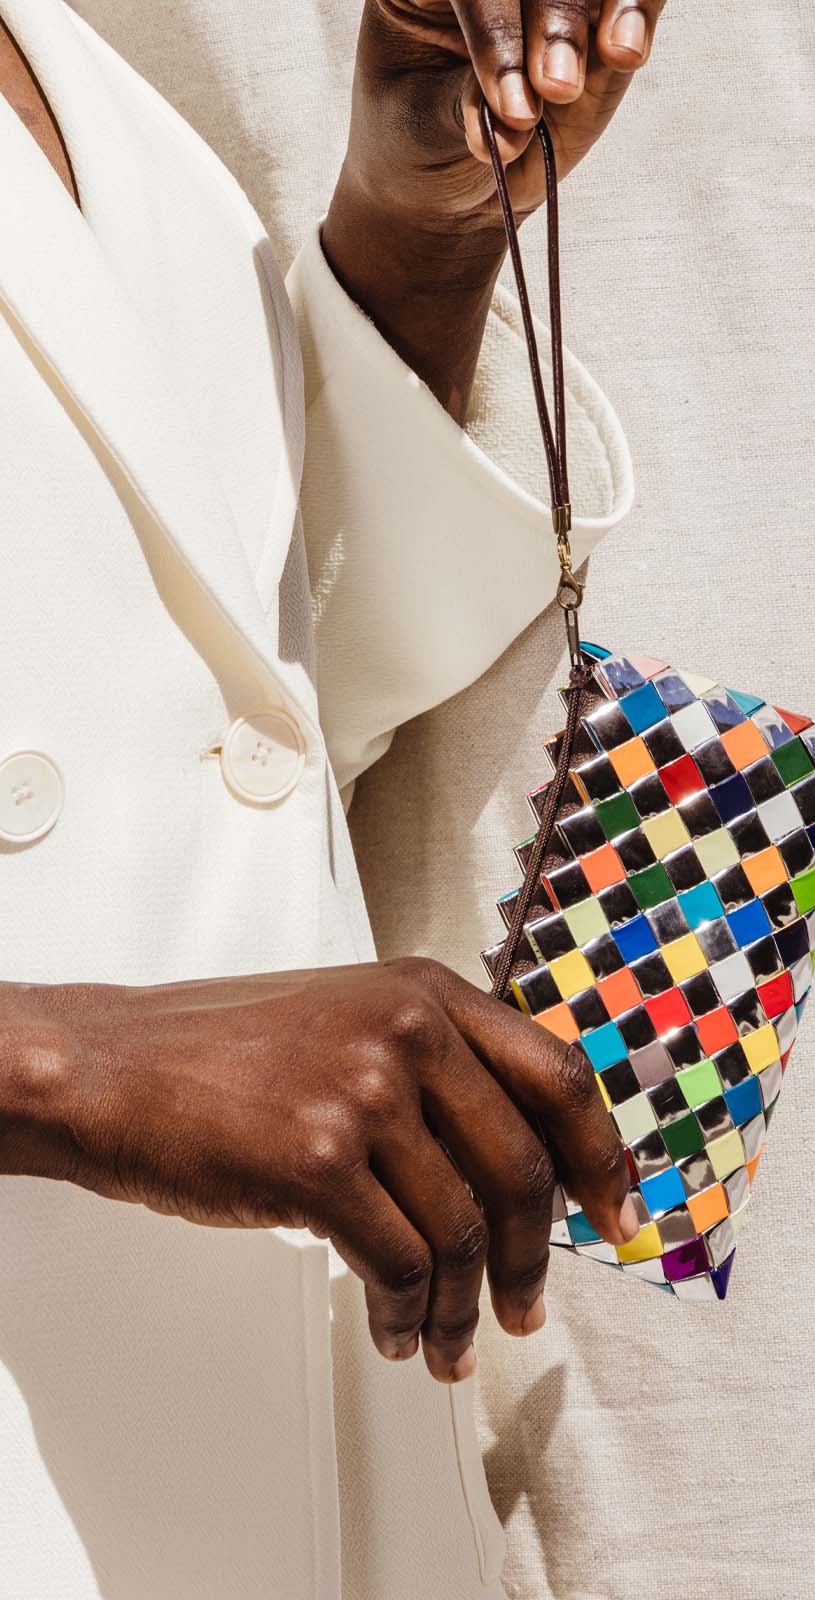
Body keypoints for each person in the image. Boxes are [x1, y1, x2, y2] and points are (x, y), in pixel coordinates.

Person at [0, 1, 663, 1595]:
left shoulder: (76, 76)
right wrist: (64, 1059)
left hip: (301, 1473)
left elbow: (229, 744)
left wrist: (419, 254)